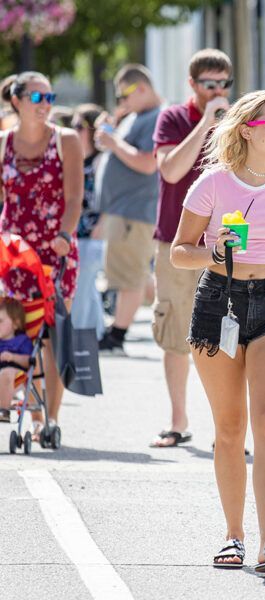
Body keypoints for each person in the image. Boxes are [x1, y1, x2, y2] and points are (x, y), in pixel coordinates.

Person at [171, 90, 265, 573]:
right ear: (248, 128)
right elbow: (179, 251)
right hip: (218, 300)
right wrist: (214, 252)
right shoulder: (213, 183)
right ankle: (234, 534)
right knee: (230, 427)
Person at [151, 48, 233, 448]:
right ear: (193, 85)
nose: (217, 91)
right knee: (176, 332)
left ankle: (227, 428)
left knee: (227, 336)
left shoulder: (238, 121)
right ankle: (178, 420)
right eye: (209, 84)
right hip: (176, 241)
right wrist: (204, 123)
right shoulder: (173, 118)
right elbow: (170, 170)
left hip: (226, 243)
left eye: (223, 84)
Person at [0, 71, 83, 438]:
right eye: (37, 98)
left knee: (51, 332)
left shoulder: (66, 140)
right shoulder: (2, 142)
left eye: (50, 97)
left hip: (55, 249)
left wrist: (65, 233)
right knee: (14, 325)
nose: (46, 105)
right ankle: (15, 401)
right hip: (12, 250)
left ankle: (47, 419)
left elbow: (75, 197)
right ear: (17, 101)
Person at [96, 64, 162, 354]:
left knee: (129, 278)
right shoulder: (138, 116)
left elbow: (148, 163)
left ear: (143, 88)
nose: (122, 101)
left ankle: (117, 336)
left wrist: (113, 142)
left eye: (125, 95)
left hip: (134, 210)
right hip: (124, 210)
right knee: (132, 274)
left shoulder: (156, 117)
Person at [70, 103, 106, 339]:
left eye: (78, 126)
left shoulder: (102, 160)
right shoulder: (79, 160)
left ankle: (81, 337)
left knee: (82, 287)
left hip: (93, 234)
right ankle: (98, 335)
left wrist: (103, 222)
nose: (74, 131)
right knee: (86, 287)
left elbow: (111, 195)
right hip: (76, 233)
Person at [0, 298, 33, 422]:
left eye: (0, 321)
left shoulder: (21, 341)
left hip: (16, 376)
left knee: (7, 373)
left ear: (15, 324)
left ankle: (3, 411)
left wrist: (13, 357)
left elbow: (29, 361)